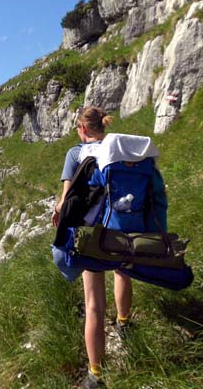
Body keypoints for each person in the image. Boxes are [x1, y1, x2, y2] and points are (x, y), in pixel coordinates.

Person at [51, 106, 133, 389]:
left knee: (94, 303)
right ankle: (124, 324)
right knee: (123, 273)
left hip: (92, 236)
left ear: (83, 129)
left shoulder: (75, 154)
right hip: (122, 227)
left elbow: (67, 198)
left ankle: (96, 375)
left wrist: (57, 212)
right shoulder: (119, 149)